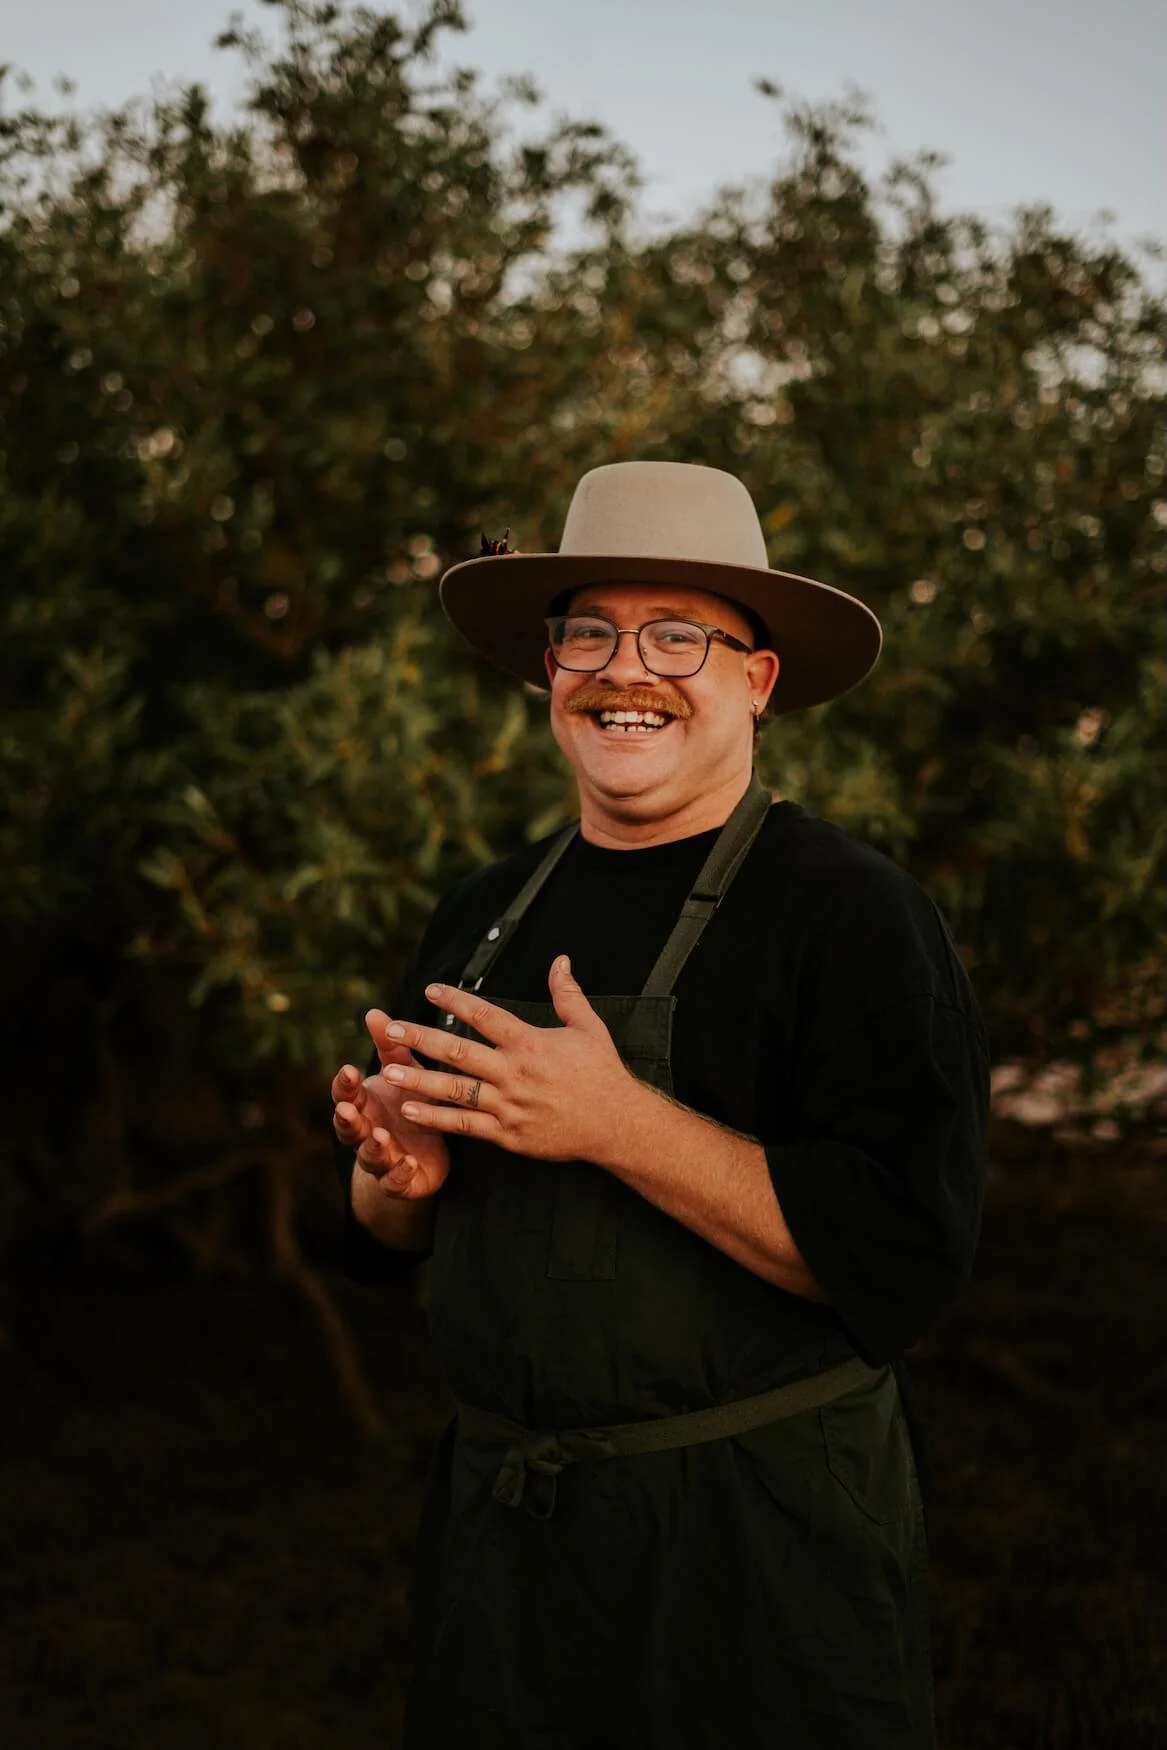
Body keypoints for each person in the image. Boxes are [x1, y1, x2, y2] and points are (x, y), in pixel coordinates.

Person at [331, 460, 990, 1750]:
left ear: (758, 679)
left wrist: (615, 1122)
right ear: (551, 670)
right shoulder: (483, 913)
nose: (625, 669)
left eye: (678, 634)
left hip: (754, 1552)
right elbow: (381, 1241)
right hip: (507, 1560)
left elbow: (905, 1258)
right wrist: (392, 1172)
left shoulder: (852, 917)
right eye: (591, 632)